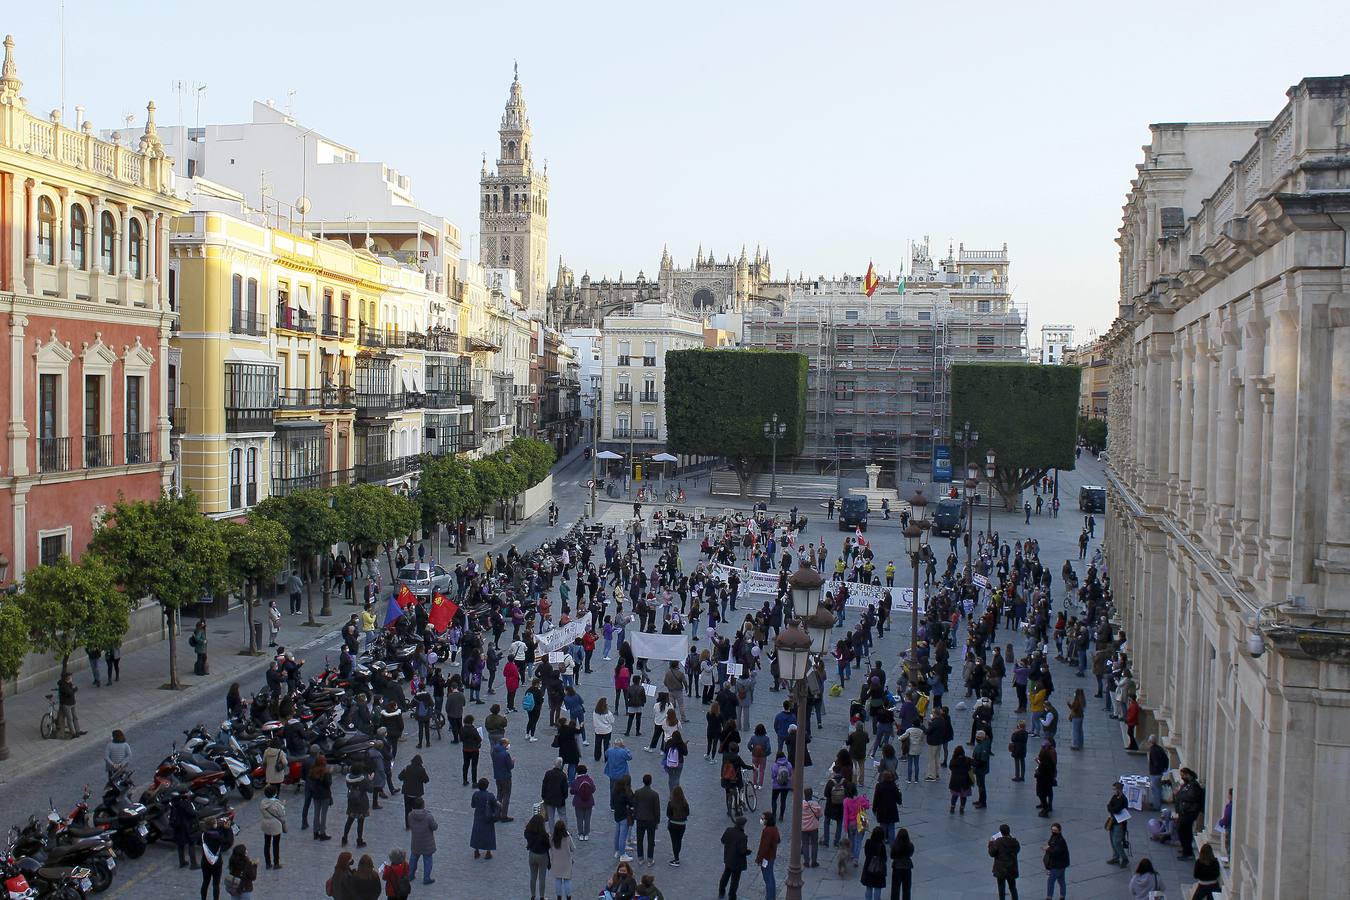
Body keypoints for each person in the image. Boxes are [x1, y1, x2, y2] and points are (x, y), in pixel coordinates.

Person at [1174, 767, 1205, 860]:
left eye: (1183, 775)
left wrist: (1179, 794)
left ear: (1188, 774)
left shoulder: (1194, 785)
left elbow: (1190, 796)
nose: (1182, 777)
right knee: (1184, 831)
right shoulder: (1186, 784)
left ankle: (1187, 852)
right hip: (1184, 812)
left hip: (1189, 813)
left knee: (1183, 831)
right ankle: (1186, 849)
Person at [407, 796, 438, 885]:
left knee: (413, 859)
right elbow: (435, 827)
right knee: (428, 860)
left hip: (416, 842)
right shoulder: (428, 816)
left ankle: (410, 875)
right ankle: (426, 878)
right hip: (427, 843)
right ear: (423, 805)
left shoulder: (410, 815)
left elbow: (410, 824)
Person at [718, 815, 750, 900]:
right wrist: (748, 851)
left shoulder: (729, 830)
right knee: (735, 881)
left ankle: (721, 891)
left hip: (728, 858)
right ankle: (732, 896)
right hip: (737, 863)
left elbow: (723, 840)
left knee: (725, 875)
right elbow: (742, 851)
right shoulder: (743, 837)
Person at [341, 761, 372, 847]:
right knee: (360, 823)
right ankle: (359, 840)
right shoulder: (363, 780)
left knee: (349, 821)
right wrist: (370, 780)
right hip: (361, 803)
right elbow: (370, 790)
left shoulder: (348, 779)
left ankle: (344, 837)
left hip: (351, 802)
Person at [633, 772, 661, 865]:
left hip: (640, 819)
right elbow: (657, 809)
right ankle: (650, 859)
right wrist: (657, 821)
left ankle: (640, 858)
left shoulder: (637, 792)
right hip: (651, 820)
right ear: (651, 782)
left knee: (639, 840)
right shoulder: (654, 794)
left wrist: (635, 816)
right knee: (651, 840)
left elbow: (635, 805)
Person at [200, 817, 231, 900]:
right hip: (216, 862)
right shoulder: (217, 836)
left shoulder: (203, 834)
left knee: (205, 882)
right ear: (213, 825)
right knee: (216, 884)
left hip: (205, 861)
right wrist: (227, 829)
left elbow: (212, 831)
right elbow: (227, 841)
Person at [987, 823, 1021, 900]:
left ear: (1001, 832)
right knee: (1013, 887)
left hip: (1001, 868)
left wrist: (991, 843)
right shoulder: (1014, 841)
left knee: (1001, 888)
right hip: (1012, 868)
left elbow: (992, 853)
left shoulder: (998, 842)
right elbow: (1017, 850)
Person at [398, 754, 429, 830]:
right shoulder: (421, 770)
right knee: (417, 810)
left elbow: (400, 777)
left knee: (407, 810)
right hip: (416, 794)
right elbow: (426, 780)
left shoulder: (407, 768)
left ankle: (408, 825)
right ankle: (416, 824)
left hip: (407, 793)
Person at [470, 778, 498, 859]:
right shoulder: (490, 795)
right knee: (489, 834)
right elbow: (495, 804)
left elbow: (473, 805)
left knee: (477, 833)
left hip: (478, 816)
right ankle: (488, 852)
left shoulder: (475, 794)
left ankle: (476, 851)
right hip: (488, 817)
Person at [524, 813, 551, 899]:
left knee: (533, 876)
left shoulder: (528, 832)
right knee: (542, 877)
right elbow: (548, 846)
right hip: (542, 856)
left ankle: (533, 895)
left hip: (532, 854)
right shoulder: (544, 835)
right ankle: (542, 897)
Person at [259, 785, 286, 869]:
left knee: (266, 844)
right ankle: (276, 863)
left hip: (265, 824)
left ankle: (268, 863)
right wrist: (283, 805)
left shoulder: (263, 802)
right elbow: (281, 814)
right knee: (276, 844)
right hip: (275, 825)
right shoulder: (276, 803)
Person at [755, 811, 781, 899]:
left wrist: (759, 858)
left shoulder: (767, 831)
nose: (761, 820)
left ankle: (770, 897)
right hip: (771, 856)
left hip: (767, 857)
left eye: (763, 819)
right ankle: (772, 896)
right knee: (771, 877)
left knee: (768, 878)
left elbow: (764, 847)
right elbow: (778, 840)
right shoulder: (774, 828)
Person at [1042, 821, 1070, 900]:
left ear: (1059, 831)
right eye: (1052, 830)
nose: (1053, 832)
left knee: (1051, 881)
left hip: (1057, 865)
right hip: (1061, 864)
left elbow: (1056, 852)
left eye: (1055, 830)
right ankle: (1062, 896)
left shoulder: (1060, 841)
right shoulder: (1054, 837)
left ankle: (1049, 897)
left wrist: (1047, 848)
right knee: (1061, 881)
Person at [550, 819, 576, 900]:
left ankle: (559, 897)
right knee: (567, 880)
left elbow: (550, 846)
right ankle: (568, 897)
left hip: (556, 862)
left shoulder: (552, 838)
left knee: (557, 880)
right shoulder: (567, 838)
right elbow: (573, 848)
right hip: (566, 863)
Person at [860, 825, 888, 900]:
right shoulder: (882, 846)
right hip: (879, 870)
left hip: (868, 867)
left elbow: (866, 853)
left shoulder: (868, 842)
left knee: (869, 887)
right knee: (877, 887)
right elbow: (884, 858)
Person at [571, 764, 597, 841]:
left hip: (578, 802)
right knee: (587, 819)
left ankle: (580, 834)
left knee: (579, 818)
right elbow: (593, 789)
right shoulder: (589, 780)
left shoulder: (576, 781)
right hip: (589, 802)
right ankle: (586, 834)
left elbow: (572, 791)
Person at [1107, 781, 1130, 866]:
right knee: (1112, 840)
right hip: (1113, 821)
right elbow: (1109, 806)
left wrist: (1111, 809)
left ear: (1119, 790)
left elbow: (1116, 809)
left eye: (1114, 789)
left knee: (1116, 841)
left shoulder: (1123, 799)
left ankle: (1124, 858)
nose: (1113, 791)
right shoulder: (1114, 796)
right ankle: (1115, 857)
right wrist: (1111, 808)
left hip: (1120, 823)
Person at [542, 757, 570, 826]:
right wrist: (565, 796)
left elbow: (544, 785)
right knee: (562, 815)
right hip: (560, 799)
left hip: (549, 798)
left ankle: (552, 833)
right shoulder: (563, 775)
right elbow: (565, 788)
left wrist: (543, 796)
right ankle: (564, 832)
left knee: (551, 817)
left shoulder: (548, 773)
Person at [800, 786, 822, 869]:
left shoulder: (801, 804)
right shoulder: (815, 804)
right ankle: (814, 861)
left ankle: (806, 862)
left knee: (805, 844)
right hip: (813, 827)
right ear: (811, 794)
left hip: (804, 828)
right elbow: (820, 814)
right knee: (814, 844)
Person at [889, 828, 914, 900]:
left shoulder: (895, 845)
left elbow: (892, 856)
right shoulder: (910, 845)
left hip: (897, 867)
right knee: (906, 889)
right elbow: (911, 854)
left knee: (895, 888)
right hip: (907, 867)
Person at [55, 671, 83, 737]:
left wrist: (74, 689)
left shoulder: (69, 683)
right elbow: (69, 692)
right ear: (67, 678)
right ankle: (73, 733)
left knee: (75, 717)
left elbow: (73, 689)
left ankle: (78, 731)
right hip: (66, 704)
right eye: (70, 677)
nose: (71, 678)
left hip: (72, 703)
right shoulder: (63, 685)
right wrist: (74, 689)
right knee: (69, 719)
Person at [947, 745, 973, 814]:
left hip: (955, 782)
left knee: (954, 796)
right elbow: (973, 764)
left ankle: (952, 807)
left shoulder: (953, 760)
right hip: (965, 782)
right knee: (963, 797)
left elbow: (950, 767)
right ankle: (962, 808)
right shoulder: (967, 760)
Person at [1146, 736, 1168, 811]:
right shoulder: (1160, 748)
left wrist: (1156, 768)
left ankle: (1156, 806)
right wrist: (1164, 768)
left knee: (1155, 789)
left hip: (1155, 773)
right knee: (1158, 788)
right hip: (1160, 772)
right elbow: (1166, 759)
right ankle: (1158, 803)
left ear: (1150, 742)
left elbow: (1156, 762)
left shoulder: (1152, 750)